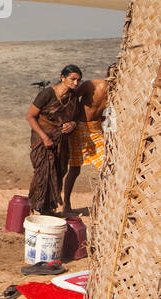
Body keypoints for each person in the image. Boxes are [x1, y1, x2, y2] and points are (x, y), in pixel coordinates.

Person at [26, 66, 83, 215]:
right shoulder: (47, 94)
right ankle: (36, 206)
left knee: (58, 172)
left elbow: (76, 116)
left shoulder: (73, 97)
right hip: (42, 138)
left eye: (78, 80)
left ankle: (49, 209)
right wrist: (44, 137)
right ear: (62, 77)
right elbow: (30, 116)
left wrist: (73, 124)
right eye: (73, 79)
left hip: (61, 141)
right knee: (42, 173)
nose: (76, 83)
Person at [64, 76, 112, 212]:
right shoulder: (93, 85)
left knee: (106, 165)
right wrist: (71, 120)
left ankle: (102, 203)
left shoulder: (117, 92)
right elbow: (72, 98)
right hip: (79, 126)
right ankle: (66, 203)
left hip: (96, 128)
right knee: (75, 168)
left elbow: (107, 114)